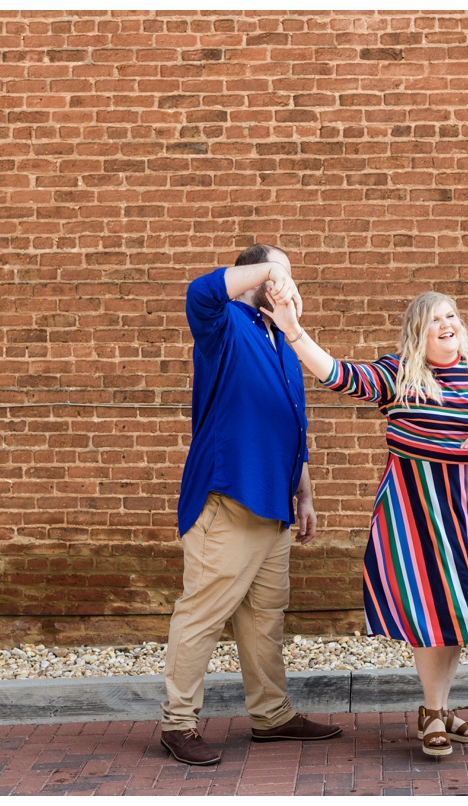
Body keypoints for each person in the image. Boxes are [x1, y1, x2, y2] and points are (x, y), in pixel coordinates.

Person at [262, 288, 468, 757]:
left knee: (459, 611)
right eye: (434, 320)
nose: (447, 324)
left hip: (466, 512)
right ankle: (431, 713)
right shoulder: (400, 374)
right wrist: (294, 332)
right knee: (429, 611)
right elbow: (339, 376)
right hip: (412, 514)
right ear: (416, 333)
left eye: (451, 316)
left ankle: (440, 711)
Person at [159, 244, 342, 766]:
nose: (285, 280)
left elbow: (293, 422)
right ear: (254, 275)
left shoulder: (284, 341)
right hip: (228, 497)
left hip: (275, 503)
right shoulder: (225, 324)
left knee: (265, 617)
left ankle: (272, 715)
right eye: (276, 270)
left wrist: (304, 490)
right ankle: (178, 722)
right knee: (203, 613)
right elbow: (200, 290)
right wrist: (272, 271)